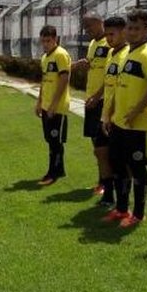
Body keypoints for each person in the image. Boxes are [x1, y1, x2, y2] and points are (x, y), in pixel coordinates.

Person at [101, 8, 147, 228]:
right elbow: (119, 88)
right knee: (118, 165)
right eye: (130, 28)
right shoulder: (128, 53)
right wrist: (110, 115)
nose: (132, 32)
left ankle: (138, 214)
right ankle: (121, 209)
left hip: (140, 125)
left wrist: (137, 110)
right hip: (119, 124)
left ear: (146, 30)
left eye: (138, 28)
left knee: (137, 169)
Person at [74, 12, 113, 199]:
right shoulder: (93, 44)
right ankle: (102, 180)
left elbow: (112, 74)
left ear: (100, 22)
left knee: (103, 146)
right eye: (85, 27)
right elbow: (94, 64)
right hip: (91, 100)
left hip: (103, 100)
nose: (87, 30)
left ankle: (107, 184)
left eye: (89, 26)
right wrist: (85, 64)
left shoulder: (110, 43)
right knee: (96, 144)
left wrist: (99, 96)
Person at [97, 16, 128, 210]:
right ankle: (108, 193)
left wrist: (113, 114)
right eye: (107, 34)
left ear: (123, 32)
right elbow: (108, 83)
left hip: (118, 117)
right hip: (105, 114)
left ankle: (121, 201)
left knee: (118, 160)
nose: (109, 38)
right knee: (100, 151)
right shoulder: (111, 54)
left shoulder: (126, 55)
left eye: (112, 34)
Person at [35, 25, 71, 186]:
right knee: (50, 139)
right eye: (43, 41)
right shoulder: (45, 57)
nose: (45, 44)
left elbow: (64, 80)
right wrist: (39, 102)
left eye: (48, 41)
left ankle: (53, 173)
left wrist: (54, 105)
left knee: (55, 141)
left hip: (58, 107)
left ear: (55, 39)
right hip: (46, 106)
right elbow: (44, 81)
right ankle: (60, 169)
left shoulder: (61, 55)